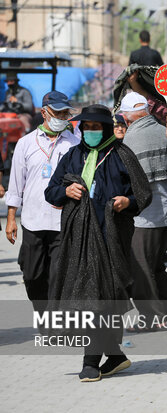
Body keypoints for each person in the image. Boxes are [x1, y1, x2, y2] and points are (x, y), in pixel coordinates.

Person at [44, 104, 152, 382]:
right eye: (86, 126)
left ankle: (92, 361)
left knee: (101, 298)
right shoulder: (73, 155)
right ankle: (111, 356)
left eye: (95, 126)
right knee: (91, 299)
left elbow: (143, 194)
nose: (90, 131)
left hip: (111, 237)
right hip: (78, 239)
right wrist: (65, 189)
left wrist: (127, 202)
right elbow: (51, 191)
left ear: (105, 127)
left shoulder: (121, 155)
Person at [5, 91, 79, 315]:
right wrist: (11, 219)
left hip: (62, 221)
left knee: (58, 275)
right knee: (32, 275)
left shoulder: (74, 144)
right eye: (58, 112)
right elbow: (16, 185)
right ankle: (42, 313)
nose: (62, 116)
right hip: (32, 221)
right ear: (44, 112)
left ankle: (54, 322)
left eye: (65, 113)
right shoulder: (25, 144)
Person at [119, 92, 167, 330]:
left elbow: (131, 181)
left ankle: (153, 317)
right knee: (155, 262)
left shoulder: (132, 139)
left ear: (126, 118)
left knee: (139, 266)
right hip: (165, 210)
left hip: (146, 214)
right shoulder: (160, 129)